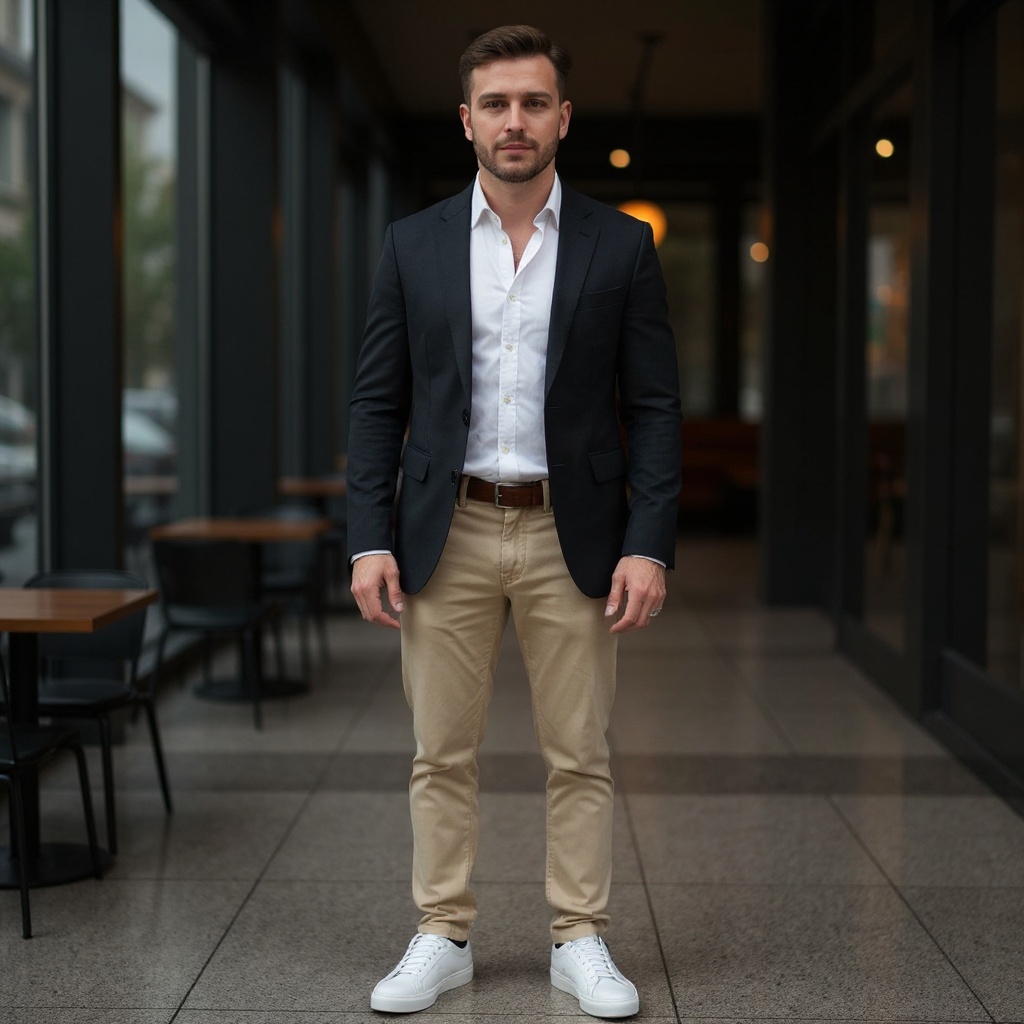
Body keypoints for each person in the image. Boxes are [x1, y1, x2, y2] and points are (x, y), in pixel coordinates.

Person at [347, 24, 681, 1019]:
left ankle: (579, 938)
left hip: (566, 532)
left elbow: (654, 404)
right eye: (495, 104)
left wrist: (647, 542)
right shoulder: (412, 245)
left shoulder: (622, 245)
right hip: (443, 530)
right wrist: (368, 535)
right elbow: (377, 402)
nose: (515, 121)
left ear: (562, 117)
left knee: (579, 752)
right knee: (438, 751)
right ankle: (441, 934)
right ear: (466, 121)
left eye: (533, 102)